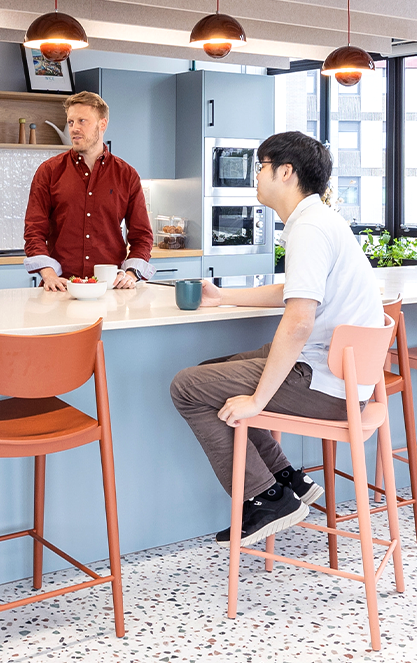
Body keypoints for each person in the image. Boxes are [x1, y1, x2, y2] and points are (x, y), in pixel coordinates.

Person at [169, 130, 384, 546]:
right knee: (210, 373)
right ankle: (286, 480)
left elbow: (299, 322)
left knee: (187, 387)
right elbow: (295, 292)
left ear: (286, 172)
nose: (256, 175)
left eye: (261, 166)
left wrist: (257, 400)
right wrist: (223, 297)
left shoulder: (310, 229)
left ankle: (266, 498)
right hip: (341, 377)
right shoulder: (319, 221)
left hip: (326, 383)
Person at [23, 90, 154, 290]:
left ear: (103, 124)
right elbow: (34, 231)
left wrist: (130, 274)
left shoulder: (127, 175)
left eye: (82, 121)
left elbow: (142, 236)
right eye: (71, 122)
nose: (74, 128)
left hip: (110, 289)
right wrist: (48, 275)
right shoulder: (48, 171)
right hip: (60, 287)